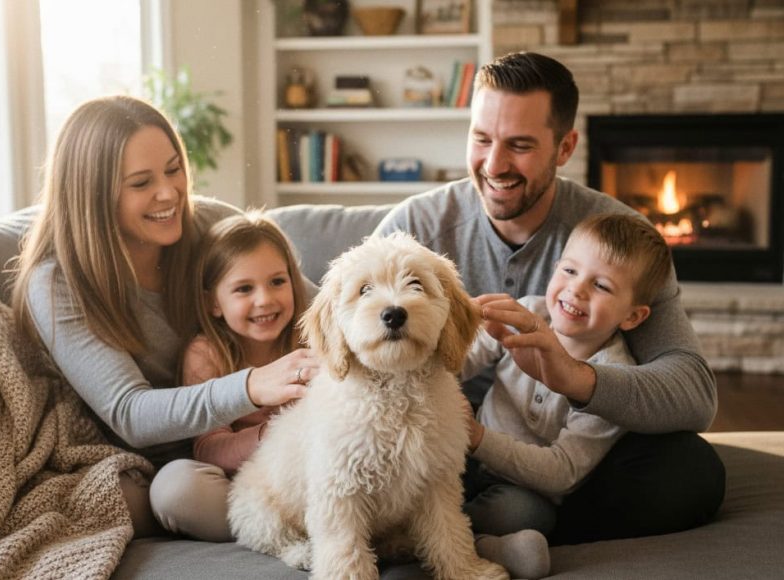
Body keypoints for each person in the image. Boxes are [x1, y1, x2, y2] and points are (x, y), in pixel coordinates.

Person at [374, 51, 725, 545]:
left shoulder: (618, 243)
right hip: (430, 437)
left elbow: (693, 396)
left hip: (554, 455)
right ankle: (492, 532)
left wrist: (577, 379)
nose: (494, 165)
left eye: (519, 145)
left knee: (691, 471)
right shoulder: (416, 227)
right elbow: (346, 341)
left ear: (565, 148)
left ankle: (504, 526)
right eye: (481, 139)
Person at [10, 95, 319, 539]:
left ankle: (340, 513)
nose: (169, 194)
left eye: (174, 170)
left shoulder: (208, 228)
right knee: (174, 493)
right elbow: (130, 412)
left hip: (281, 446)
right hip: (167, 464)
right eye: (141, 183)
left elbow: (326, 313)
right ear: (93, 194)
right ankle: (310, 524)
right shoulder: (58, 283)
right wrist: (252, 385)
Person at [461, 213, 671, 577]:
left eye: (602, 286)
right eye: (570, 271)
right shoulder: (528, 311)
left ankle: (465, 547)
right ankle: (449, 536)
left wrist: (480, 439)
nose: (576, 290)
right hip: (463, 455)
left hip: (524, 486)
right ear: (555, 267)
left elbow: (563, 473)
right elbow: (462, 360)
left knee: (524, 515)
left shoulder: (613, 381)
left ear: (633, 317)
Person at [149, 211, 309, 540]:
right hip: (249, 488)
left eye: (278, 281)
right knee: (176, 487)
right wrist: (275, 435)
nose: (264, 300)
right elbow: (209, 449)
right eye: (244, 289)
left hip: (318, 479)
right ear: (213, 303)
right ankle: (270, 529)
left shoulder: (308, 340)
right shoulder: (206, 354)